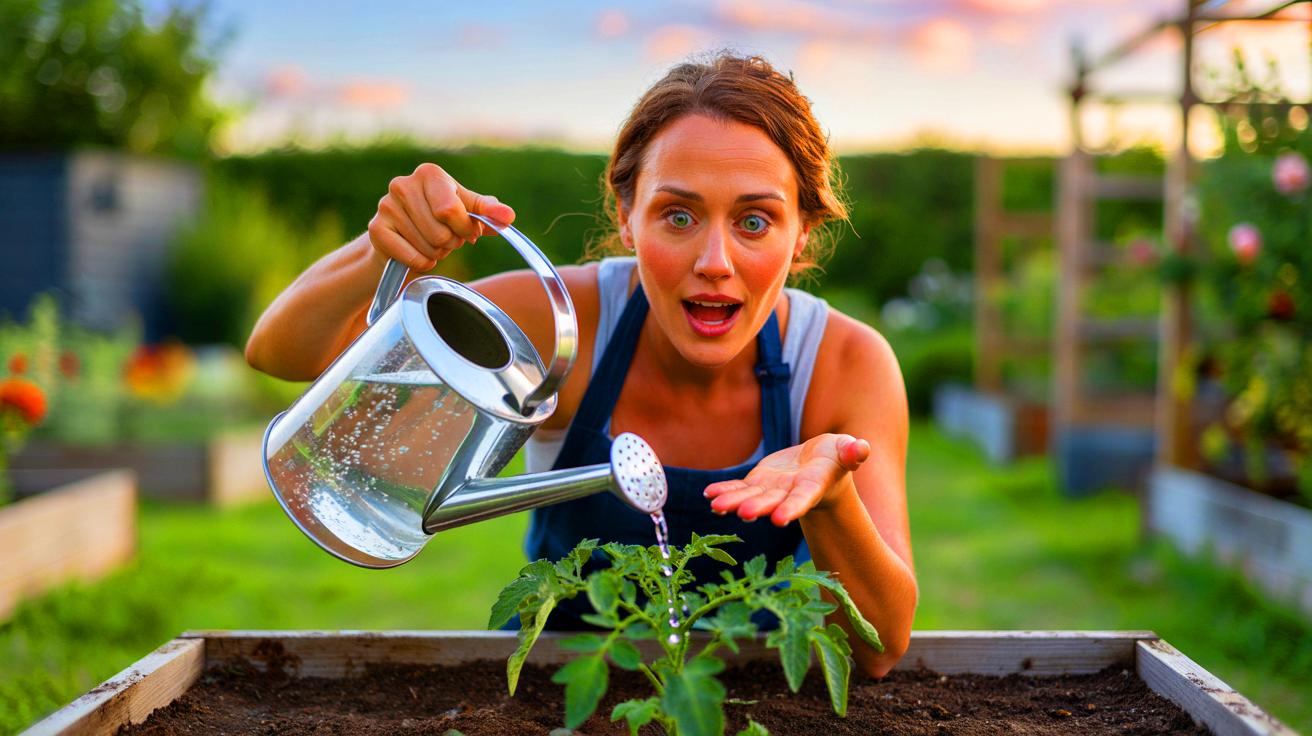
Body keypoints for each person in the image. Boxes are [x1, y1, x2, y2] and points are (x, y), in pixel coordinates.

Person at [246, 53, 916, 677]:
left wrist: (832, 500)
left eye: (755, 221)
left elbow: (879, 647)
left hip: (758, 695)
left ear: (802, 232)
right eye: (677, 215)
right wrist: (380, 251)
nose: (715, 261)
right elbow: (285, 355)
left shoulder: (842, 363)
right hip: (560, 693)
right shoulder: (565, 322)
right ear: (627, 217)